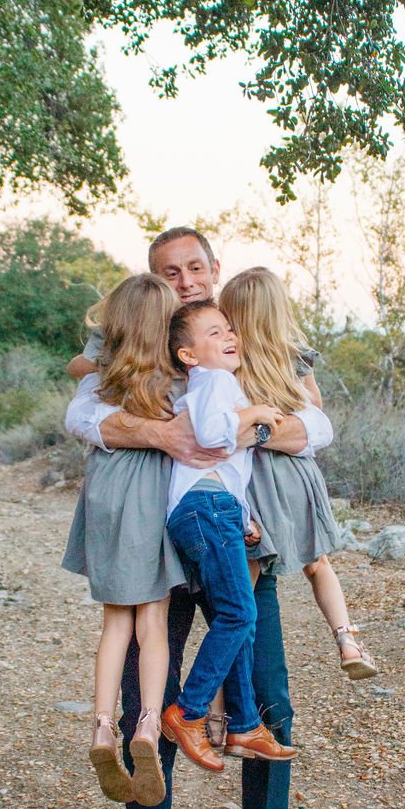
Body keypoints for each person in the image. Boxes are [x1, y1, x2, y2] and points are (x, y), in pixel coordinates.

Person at [64, 227, 320, 809]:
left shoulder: (247, 332)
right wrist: (161, 434)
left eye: (194, 267)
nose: (184, 279)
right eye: (168, 270)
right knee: (147, 695)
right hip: (160, 535)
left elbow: (316, 424)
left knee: (269, 692)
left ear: (215, 269)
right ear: (154, 278)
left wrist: (253, 432)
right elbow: (82, 412)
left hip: (244, 534)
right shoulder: (140, 334)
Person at [220, 267, 378, 680]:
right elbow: (315, 409)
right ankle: (347, 638)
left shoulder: (232, 364)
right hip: (299, 473)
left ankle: (219, 702)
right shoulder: (294, 355)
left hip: (256, 479)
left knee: (244, 589)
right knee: (317, 562)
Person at [62, 274, 183, 809]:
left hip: (106, 489)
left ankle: (102, 727)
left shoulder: (103, 379)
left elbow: (80, 410)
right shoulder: (178, 381)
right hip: (151, 492)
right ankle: (148, 727)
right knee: (151, 622)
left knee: (116, 622)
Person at [159, 300, 297, 770]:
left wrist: (242, 516)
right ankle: (188, 712)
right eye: (214, 333)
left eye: (228, 329)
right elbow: (216, 440)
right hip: (205, 506)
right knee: (240, 613)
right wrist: (257, 410)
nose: (228, 337)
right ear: (189, 355)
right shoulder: (216, 381)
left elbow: (227, 466)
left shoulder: (210, 383)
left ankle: (242, 725)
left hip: (212, 508)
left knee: (239, 618)